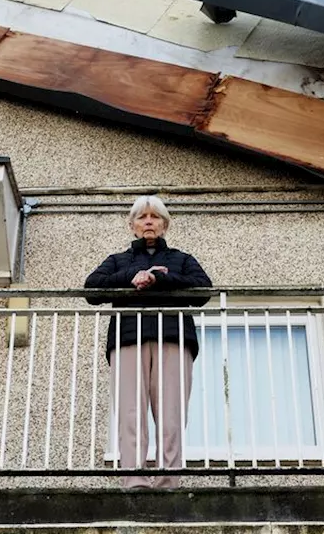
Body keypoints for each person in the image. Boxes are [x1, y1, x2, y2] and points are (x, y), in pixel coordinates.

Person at [84, 195, 211, 488]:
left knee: (171, 415)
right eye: (142, 217)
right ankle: (135, 482)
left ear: (165, 225)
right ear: (132, 226)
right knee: (130, 413)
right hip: (129, 339)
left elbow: (203, 289)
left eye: (155, 217)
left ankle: (169, 482)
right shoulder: (118, 261)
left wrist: (161, 279)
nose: (149, 222)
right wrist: (132, 276)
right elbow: (91, 289)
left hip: (174, 339)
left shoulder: (182, 259)